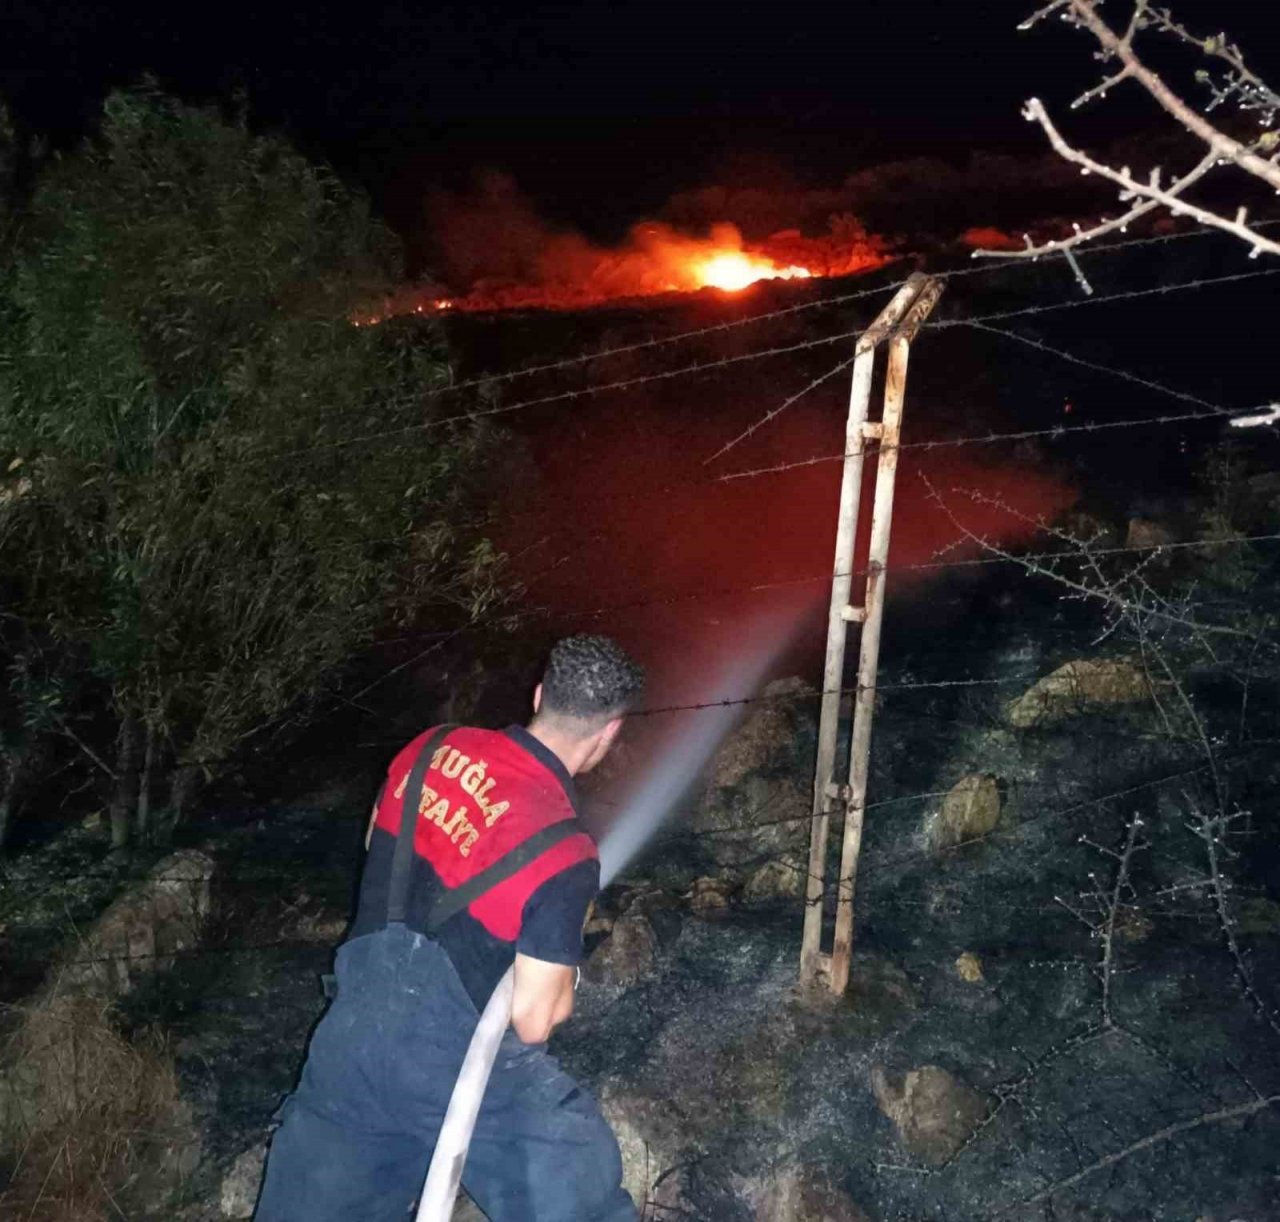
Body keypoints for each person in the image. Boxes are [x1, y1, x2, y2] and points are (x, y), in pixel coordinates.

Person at [255, 635, 644, 1222]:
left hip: (351, 1035)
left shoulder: (429, 747)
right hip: (456, 1067)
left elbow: (377, 848)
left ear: (540, 695)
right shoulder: (565, 851)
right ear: (609, 733)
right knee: (578, 1180)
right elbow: (534, 1021)